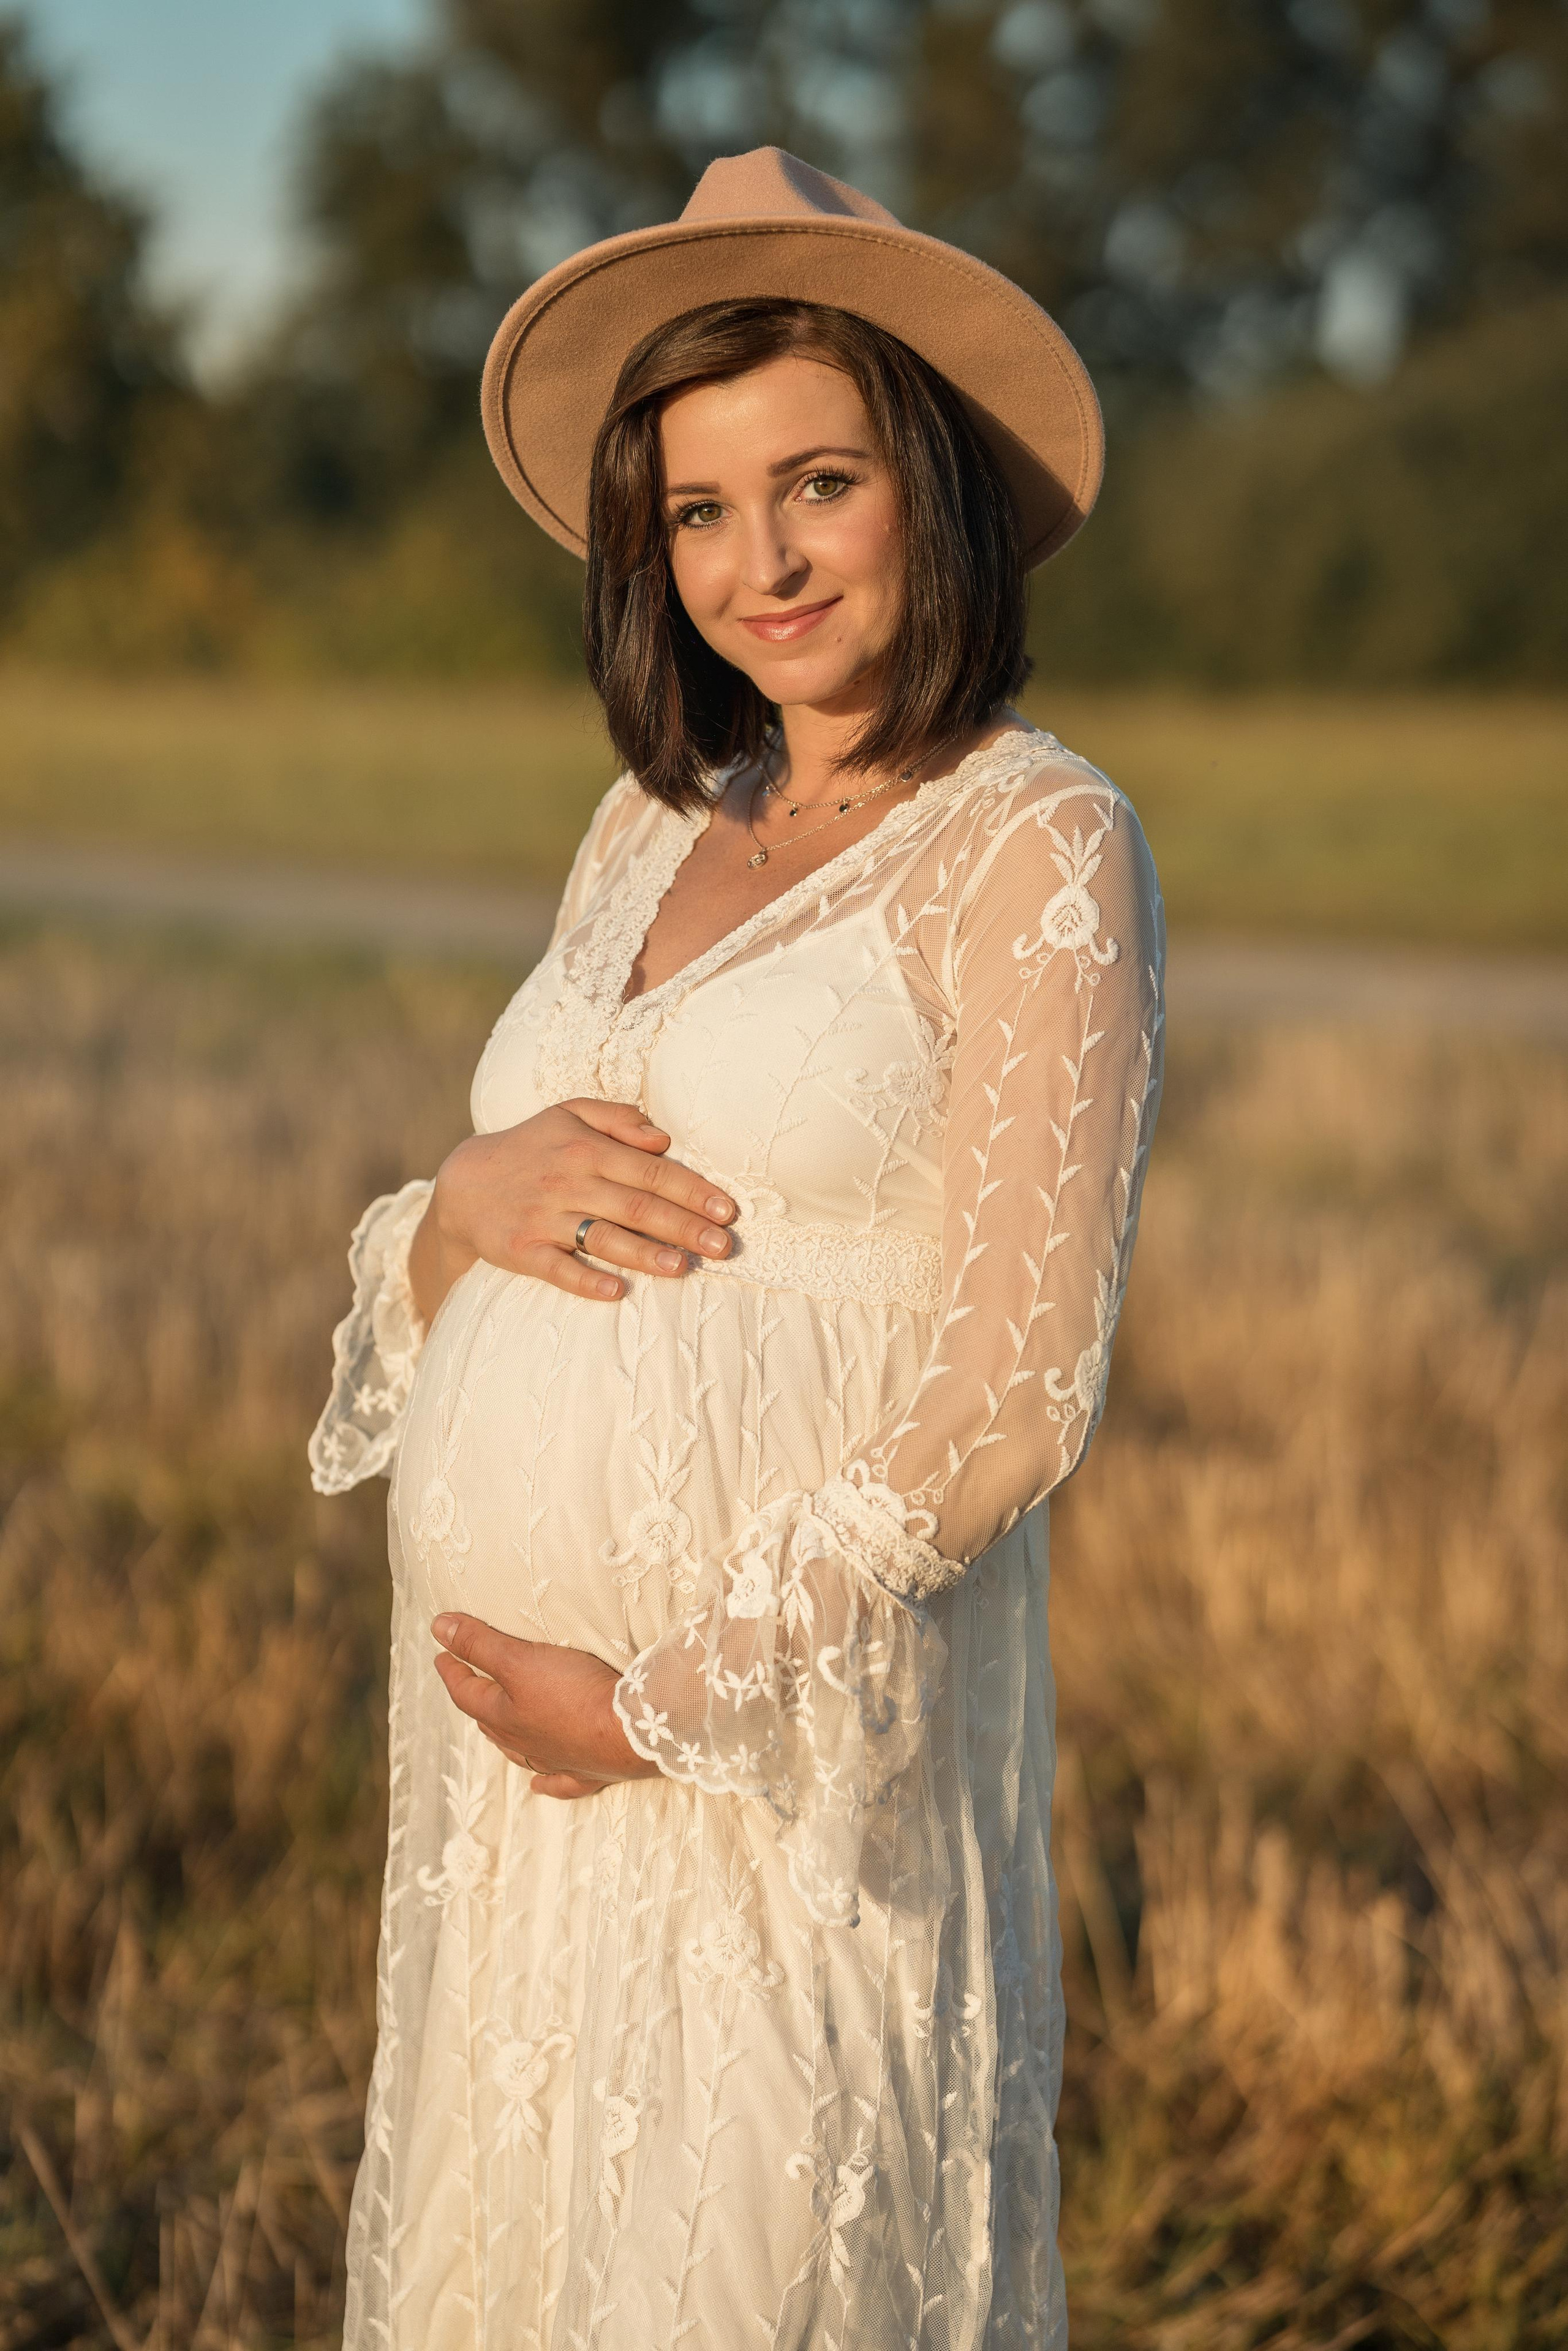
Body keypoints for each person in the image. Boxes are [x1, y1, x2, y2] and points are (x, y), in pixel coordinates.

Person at [309, 146, 1165, 2351]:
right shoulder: (645, 820)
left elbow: (1016, 1388)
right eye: (698, 509)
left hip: (788, 1776)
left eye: (820, 484)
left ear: (935, 490)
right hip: (522, 1807)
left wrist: (672, 1704)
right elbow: (488, 1223)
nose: (759, 563)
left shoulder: (1038, 839)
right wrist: (455, 1207)